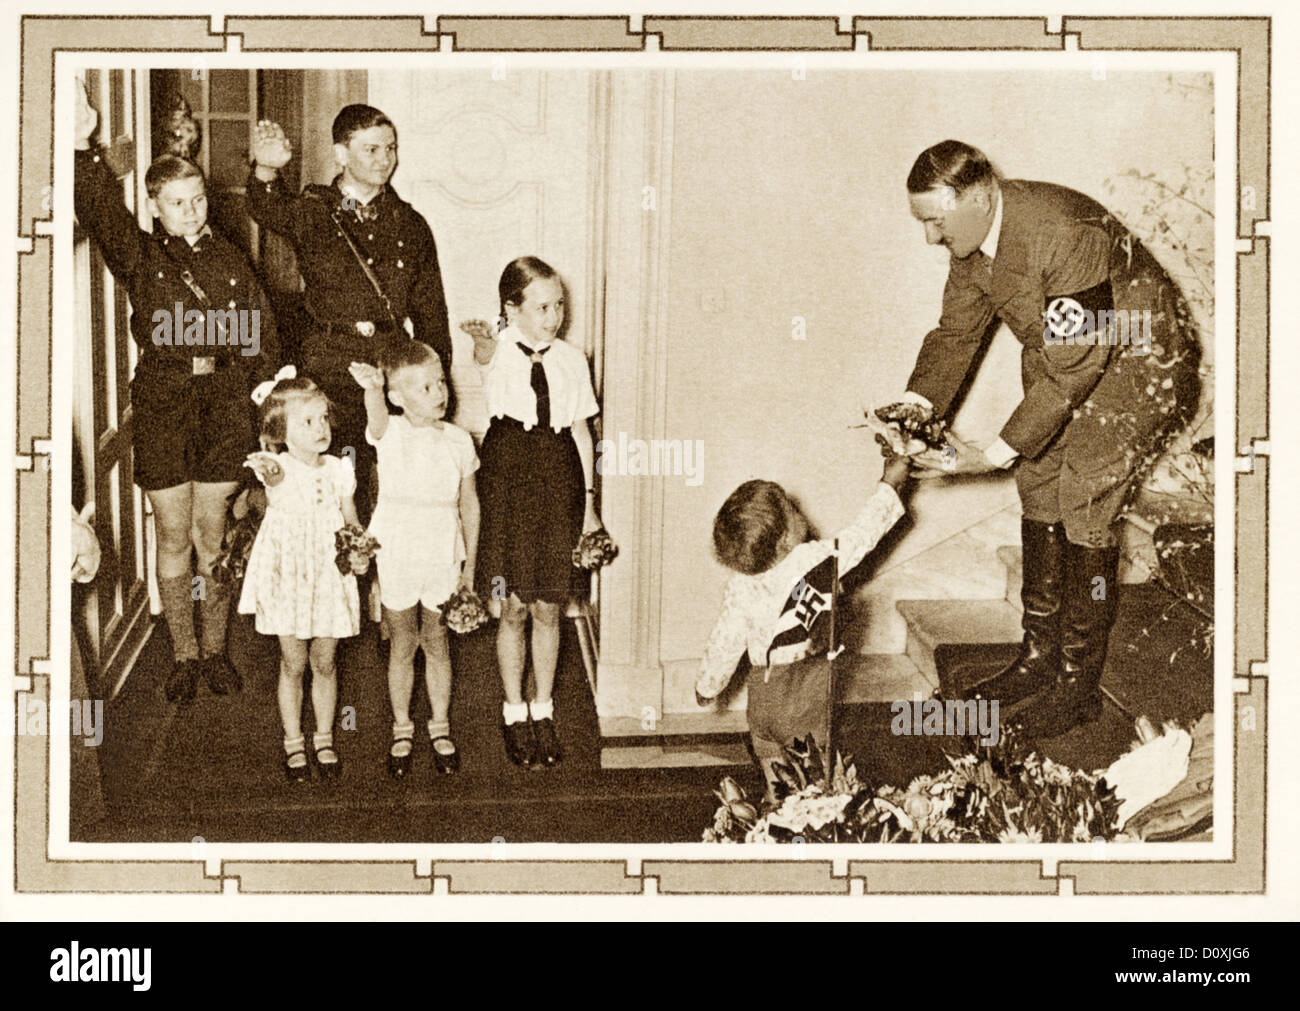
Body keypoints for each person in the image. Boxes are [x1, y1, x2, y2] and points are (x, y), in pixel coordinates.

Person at [898, 139, 1199, 739]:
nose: (929, 238)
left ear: (979, 196)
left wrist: (988, 452)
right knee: (1037, 479)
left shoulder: (1065, 232)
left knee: (1085, 495)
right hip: (1068, 357)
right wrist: (914, 407)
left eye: (935, 220)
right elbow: (955, 334)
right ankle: (1038, 658)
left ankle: (1077, 684)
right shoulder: (974, 242)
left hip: (1142, 366)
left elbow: (1077, 367)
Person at [74, 80, 277, 704]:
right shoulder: (140, 256)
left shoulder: (232, 258)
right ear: (155, 205)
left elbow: (262, 330)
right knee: (171, 535)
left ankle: (215, 651)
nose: (191, 212)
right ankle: (183, 654)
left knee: (212, 534)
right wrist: (84, 146)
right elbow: (102, 209)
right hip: (164, 400)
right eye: (177, 203)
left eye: (197, 201)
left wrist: (264, 390)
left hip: (222, 403)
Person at [248, 107, 451, 524]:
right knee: (335, 483)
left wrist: (431, 388)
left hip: (392, 368)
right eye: (371, 149)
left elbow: (432, 316)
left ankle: (386, 585)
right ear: (341, 154)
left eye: (390, 148)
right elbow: (267, 207)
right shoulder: (314, 212)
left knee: (395, 484)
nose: (384, 159)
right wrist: (266, 168)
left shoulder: (411, 225)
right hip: (329, 366)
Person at [695, 455, 911, 798]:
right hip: (803, 691)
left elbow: (725, 641)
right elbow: (862, 536)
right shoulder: (811, 561)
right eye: (792, 511)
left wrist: (708, 686)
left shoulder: (740, 585)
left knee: (777, 783)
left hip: (763, 698)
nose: (800, 513)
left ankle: (772, 819)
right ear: (783, 540)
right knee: (816, 782)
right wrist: (890, 484)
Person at [468, 257, 601, 770]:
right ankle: (513, 711)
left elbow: (583, 433)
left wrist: (588, 506)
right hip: (508, 474)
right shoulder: (496, 352)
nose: (553, 316)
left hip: (558, 475)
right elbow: (483, 353)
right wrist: (484, 338)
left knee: (550, 604)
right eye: (541, 306)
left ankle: (543, 709)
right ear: (512, 309)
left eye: (559, 304)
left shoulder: (572, 359)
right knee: (515, 605)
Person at [349, 344, 480, 779]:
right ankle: (402, 726)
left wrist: (470, 567)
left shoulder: (460, 441)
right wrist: (372, 388)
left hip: (442, 550)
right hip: (399, 549)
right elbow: (376, 417)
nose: (439, 392)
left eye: (440, 381)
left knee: (438, 643)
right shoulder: (392, 432)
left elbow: (470, 507)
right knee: (403, 643)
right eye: (425, 387)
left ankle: (440, 726)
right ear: (398, 397)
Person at [237, 376, 365, 781]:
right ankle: (293, 740)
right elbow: (273, 475)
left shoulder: (340, 469)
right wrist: (268, 465)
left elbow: (351, 520)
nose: (321, 428)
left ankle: (324, 736)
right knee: (293, 662)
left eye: (323, 418)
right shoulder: (279, 468)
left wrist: (360, 550)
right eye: (306, 422)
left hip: (328, 572)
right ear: (280, 433)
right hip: (289, 576)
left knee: (324, 662)